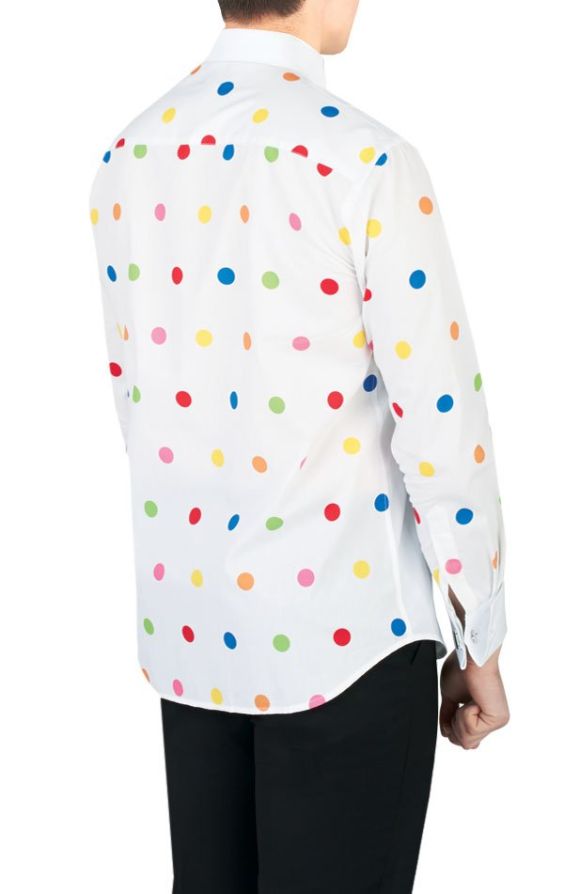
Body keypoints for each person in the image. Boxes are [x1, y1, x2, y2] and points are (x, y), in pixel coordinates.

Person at [88, 1, 510, 890]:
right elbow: (441, 423)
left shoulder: (131, 154)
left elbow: (139, 404)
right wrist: (480, 638)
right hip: (348, 637)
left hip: (194, 636)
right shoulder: (366, 161)